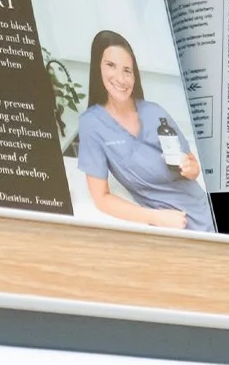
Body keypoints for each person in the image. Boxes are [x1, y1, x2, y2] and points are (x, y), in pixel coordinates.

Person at [74, 28, 214, 233]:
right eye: (111, 66)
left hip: (204, 208)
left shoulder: (155, 112)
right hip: (174, 220)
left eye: (127, 70)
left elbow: (191, 166)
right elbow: (101, 198)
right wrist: (156, 218)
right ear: (98, 68)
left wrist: (192, 168)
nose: (121, 79)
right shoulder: (92, 124)